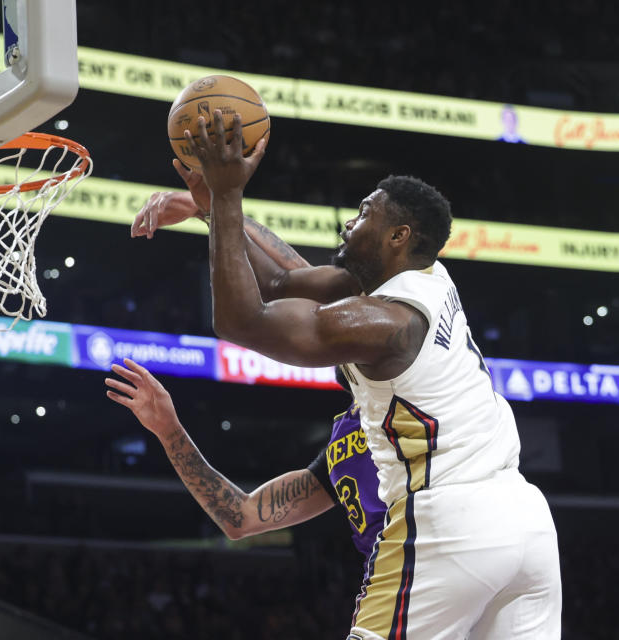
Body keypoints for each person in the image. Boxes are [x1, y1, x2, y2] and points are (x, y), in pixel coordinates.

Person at [168, 111, 560, 640]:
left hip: (449, 520)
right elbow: (287, 279)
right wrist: (213, 207)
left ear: (398, 235)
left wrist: (228, 195)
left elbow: (243, 321)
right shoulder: (427, 277)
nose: (349, 223)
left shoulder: (386, 323)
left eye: (363, 214)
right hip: (527, 524)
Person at [105, 359, 386, 560]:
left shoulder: (418, 401)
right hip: (387, 583)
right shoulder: (346, 438)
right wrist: (168, 430)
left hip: (422, 572)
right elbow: (240, 516)